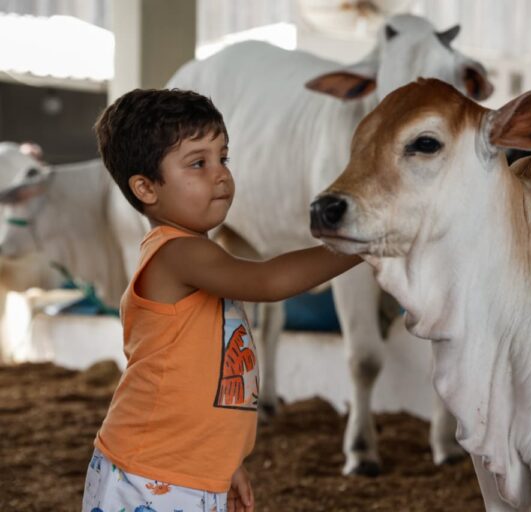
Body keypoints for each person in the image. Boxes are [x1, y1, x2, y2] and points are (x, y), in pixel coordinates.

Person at [82, 88, 361, 512]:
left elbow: (202, 387)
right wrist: (362, 243)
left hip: (183, 472)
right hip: (148, 476)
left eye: (223, 157)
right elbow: (270, 281)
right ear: (146, 188)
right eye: (198, 163)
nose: (221, 175)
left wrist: (224, 463)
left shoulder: (198, 254)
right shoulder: (177, 253)